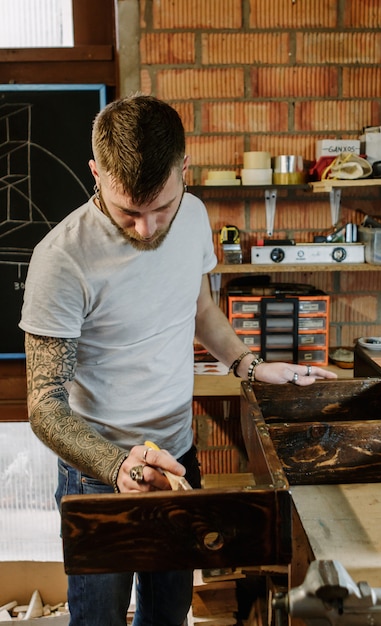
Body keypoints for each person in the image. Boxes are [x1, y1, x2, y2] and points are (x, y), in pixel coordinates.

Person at [19, 94, 337, 626]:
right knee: (98, 619)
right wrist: (117, 467)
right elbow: (44, 405)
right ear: (95, 173)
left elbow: (201, 310)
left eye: (160, 207)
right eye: (128, 211)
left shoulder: (192, 216)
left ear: (183, 171)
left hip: (177, 457)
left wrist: (251, 365)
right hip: (100, 477)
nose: (146, 229)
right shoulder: (62, 259)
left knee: (168, 617)